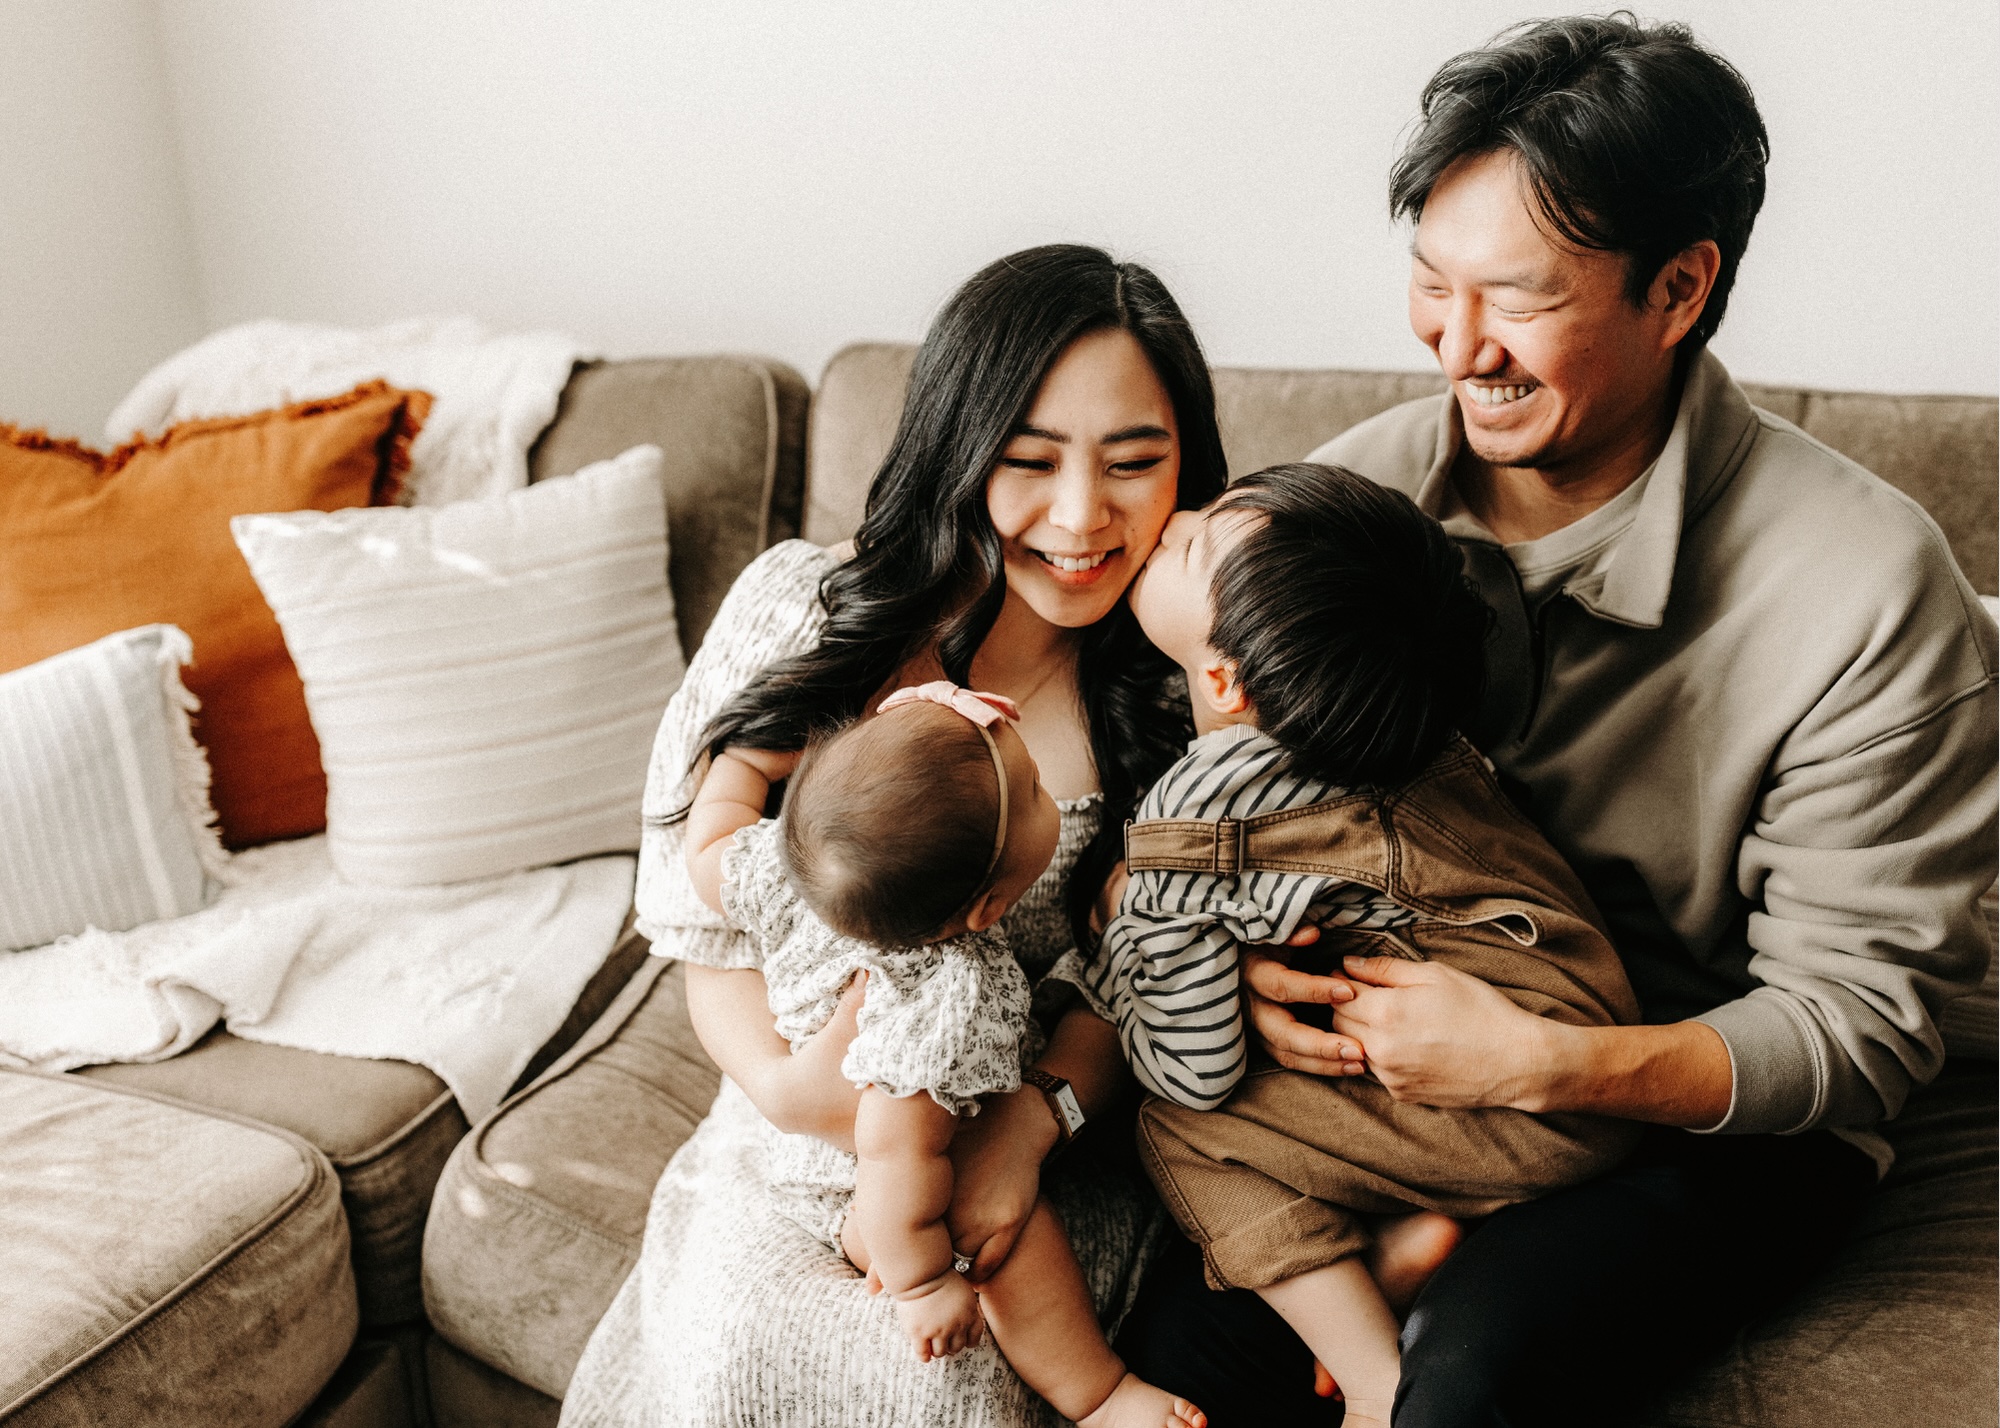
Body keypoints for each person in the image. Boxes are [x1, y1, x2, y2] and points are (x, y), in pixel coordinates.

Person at [1116, 16, 1998, 1426]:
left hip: (1717, 1105)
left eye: (1516, 299)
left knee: (1477, 1375)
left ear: (1680, 287)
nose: (1459, 348)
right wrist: (1259, 984)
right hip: (1401, 1082)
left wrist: (1545, 1061)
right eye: (1428, 285)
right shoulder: (1344, 510)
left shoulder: (1868, 589)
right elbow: (1217, 803)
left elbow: (1865, 1025)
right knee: (1171, 1359)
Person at [558, 242, 1228, 1427]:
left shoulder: (1180, 685)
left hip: (1022, 1143)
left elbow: (1145, 980)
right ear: (959, 454)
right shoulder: (809, 612)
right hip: (784, 1141)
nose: (1081, 516)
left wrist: (1026, 1129)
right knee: (741, 1353)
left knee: (939, 1386)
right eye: (1028, 463)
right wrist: (787, 1089)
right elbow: (694, 910)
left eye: (1135, 463)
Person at [1083, 464, 1639, 1427]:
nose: (1169, 519)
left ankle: (1375, 1384)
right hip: (1591, 1031)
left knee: (1179, 1125)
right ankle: (1411, 1229)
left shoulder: (1198, 809)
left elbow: (1192, 1063)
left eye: (1190, 544)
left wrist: (1123, 945)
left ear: (1225, 679)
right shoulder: (1402, 717)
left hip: (1525, 1104)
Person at [679, 682, 1204, 1427]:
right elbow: (896, 1152)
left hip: (822, 1155)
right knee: (1012, 1242)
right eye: (1031, 792)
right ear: (988, 909)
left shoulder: (785, 868)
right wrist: (924, 1279)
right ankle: (1098, 1393)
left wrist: (743, 767)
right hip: (877, 1180)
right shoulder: (945, 997)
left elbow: (707, 847)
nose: (1046, 789)